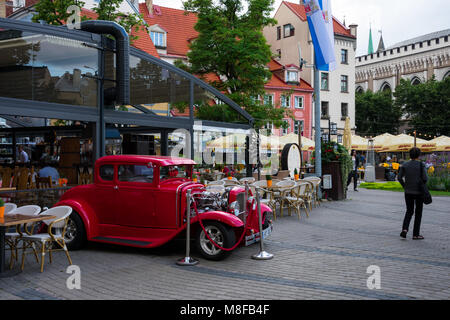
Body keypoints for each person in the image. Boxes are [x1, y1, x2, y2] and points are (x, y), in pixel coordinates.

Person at [398, 147, 428, 240]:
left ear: (409, 155)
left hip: (408, 191)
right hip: (419, 192)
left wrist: (405, 186)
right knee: (418, 213)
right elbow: (425, 178)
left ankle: (405, 229)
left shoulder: (405, 164)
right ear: (418, 155)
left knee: (409, 211)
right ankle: (416, 234)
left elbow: (399, 177)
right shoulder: (421, 165)